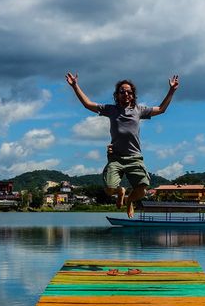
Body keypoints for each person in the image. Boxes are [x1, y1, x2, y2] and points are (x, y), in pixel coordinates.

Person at [66, 72, 179, 217]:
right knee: (109, 188)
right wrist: (75, 85)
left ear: (132, 95)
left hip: (134, 157)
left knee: (143, 189)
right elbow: (88, 104)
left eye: (129, 92)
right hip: (116, 158)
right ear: (117, 95)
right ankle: (121, 192)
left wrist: (172, 90)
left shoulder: (139, 110)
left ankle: (129, 201)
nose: (126, 94)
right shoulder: (111, 110)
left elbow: (161, 109)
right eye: (122, 91)